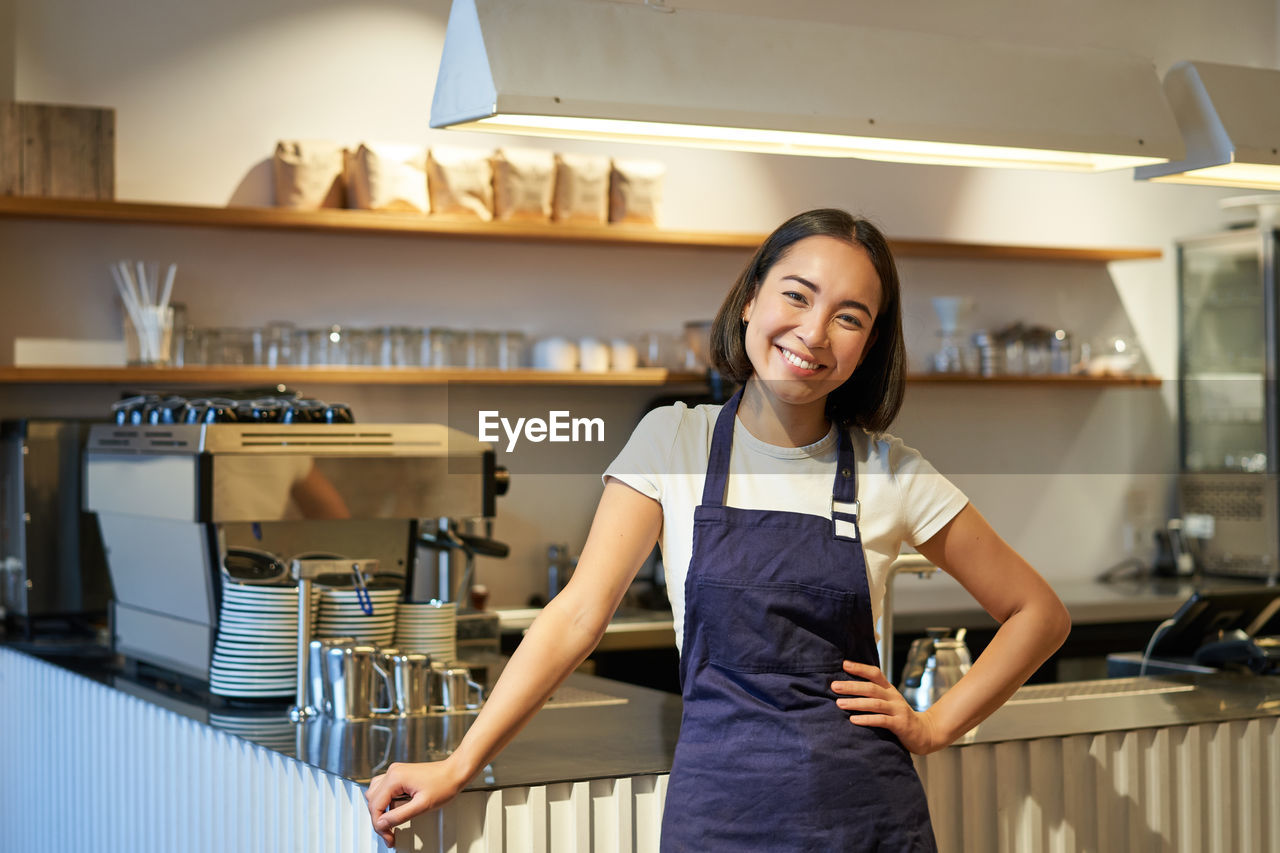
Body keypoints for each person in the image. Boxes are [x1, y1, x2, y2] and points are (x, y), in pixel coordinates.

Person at [365, 208, 1071, 850]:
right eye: (797, 294)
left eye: (849, 317)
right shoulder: (672, 441)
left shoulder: (892, 471)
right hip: (718, 819)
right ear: (752, 298)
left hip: (866, 820)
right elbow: (577, 615)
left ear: (869, 344)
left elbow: (1037, 613)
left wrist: (937, 724)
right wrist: (461, 760)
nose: (814, 332)